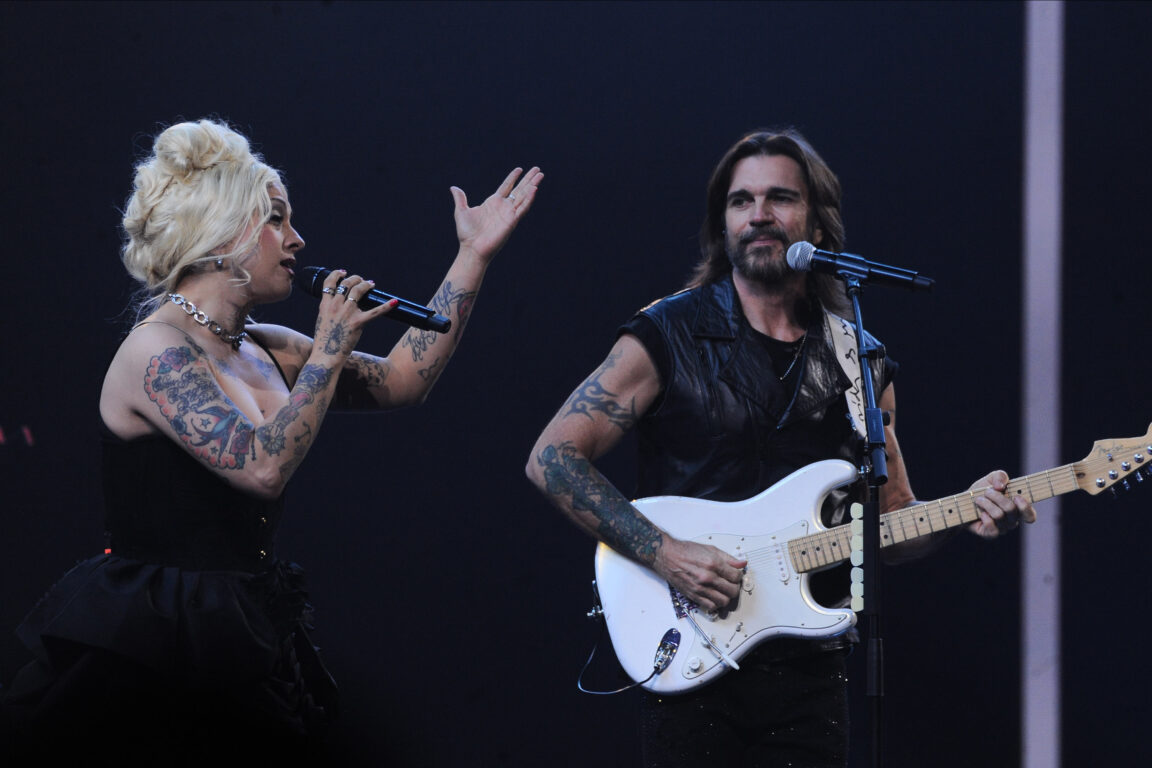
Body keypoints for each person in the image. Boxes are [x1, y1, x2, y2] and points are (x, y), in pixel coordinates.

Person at [0, 118, 542, 765]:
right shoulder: (156, 351)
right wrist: (330, 348)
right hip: (157, 639)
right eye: (277, 220)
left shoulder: (269, 347)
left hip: (245, 621)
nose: (297, 239)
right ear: (222, 234)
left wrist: (472, 256)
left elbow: (403, 379)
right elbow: (261, 467)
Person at [525, 128, 1034, 767]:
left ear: (818, 224)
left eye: (780, 198)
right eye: (741, 200)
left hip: (812, 676)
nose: (759, 214)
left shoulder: (860, 360)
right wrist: (667, 554)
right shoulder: (668, 333)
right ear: (722, 225)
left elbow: (891, 525)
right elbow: (552, 458)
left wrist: (965, 512)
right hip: (694, 656)